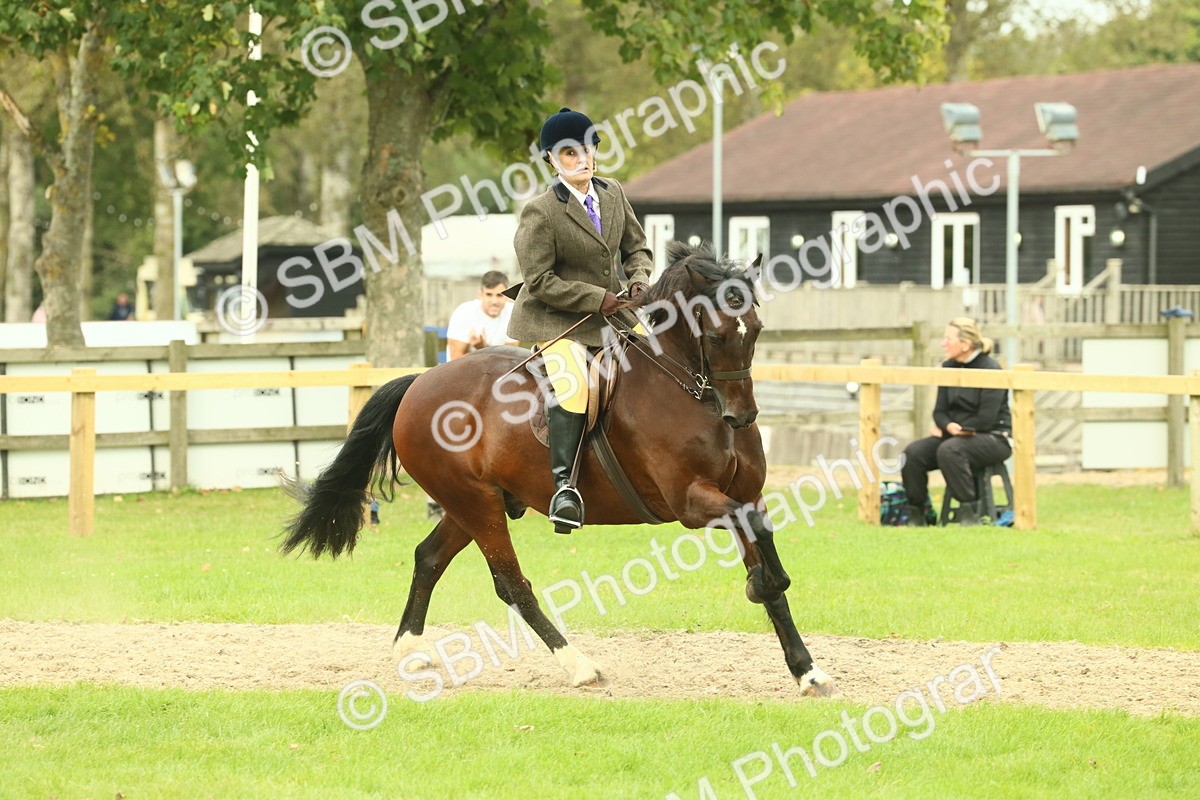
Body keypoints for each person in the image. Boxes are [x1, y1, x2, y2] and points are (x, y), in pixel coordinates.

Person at [508, 106, 653, 534]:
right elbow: (539, 281)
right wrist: (597, 298)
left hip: (614, 315)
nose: (583, 158)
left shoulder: (613, 193)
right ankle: (564, 491)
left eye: (589, 149)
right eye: (571, 153)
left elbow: (637, 249)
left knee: (660, 360)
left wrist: (639, 280)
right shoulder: (541, 211)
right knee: (573, 389)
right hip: (558, 321)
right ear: (551, 160)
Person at [901, 317, 1012, 527]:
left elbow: (986, 419)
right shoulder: (948, 367)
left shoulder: (990, 369)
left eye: (948, 339)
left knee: (950, 450)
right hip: (954, 435)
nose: (943, 343)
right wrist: (948, 426)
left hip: (994, 437)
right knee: (912, 454)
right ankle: (919, 513)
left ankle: (969, 512)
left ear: (965, 344)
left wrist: (953, 428)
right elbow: (939, 412)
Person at [446, 270, 518, 359]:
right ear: (480, 294)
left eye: (499, 295)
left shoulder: (513, 313)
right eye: (489, 294)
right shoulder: (464, 312)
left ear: (507, 296)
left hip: (500, 368)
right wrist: (484, 350)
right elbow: (455, 359)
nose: (494, 301)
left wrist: (482, 348)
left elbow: (509, 358)